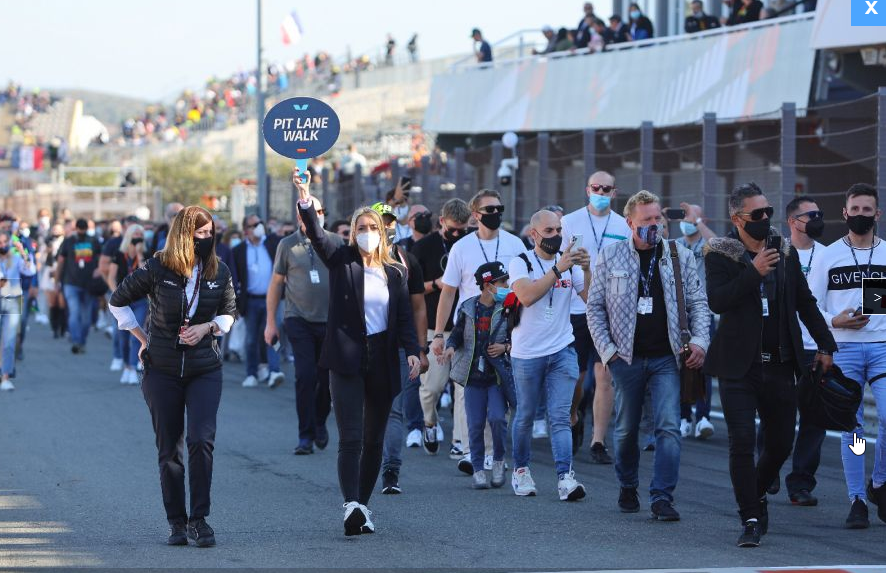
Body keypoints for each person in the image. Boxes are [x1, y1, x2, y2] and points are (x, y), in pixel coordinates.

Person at [704, 182, 835, 547]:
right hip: (738, 367)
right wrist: (754, 272)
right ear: (737, 218)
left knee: (780, 444)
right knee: (742, 442)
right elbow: (718, 301)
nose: (765, 219)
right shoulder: (720, 253)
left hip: (779, 364)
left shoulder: (784, 250)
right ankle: (749, 517)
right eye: (757, 214)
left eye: (768, 213)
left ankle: (757, 491)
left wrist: (826, 344)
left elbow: (805, 303)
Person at [294, 168, 421, 536]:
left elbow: (402, 319)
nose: (366, 234)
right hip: (346, 356)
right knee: (350, 436)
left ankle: (362, 506)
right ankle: (350, 503)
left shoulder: (395, 271)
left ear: (382, 233)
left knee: (374, 438)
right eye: (360, 228)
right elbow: (317, 235)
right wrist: (305, 197)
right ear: (352, 232)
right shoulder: (342, 258)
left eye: (371, 228)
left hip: (381, 356)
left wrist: (413, 351)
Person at [110, 206, 238, 548]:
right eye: (200, 235)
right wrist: (142, 338)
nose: (207, 239)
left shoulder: (219, 270)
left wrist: (208, 327)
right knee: (169, 448)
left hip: (204, 369)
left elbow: (229, 313)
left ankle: (200, 519)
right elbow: (117, 301)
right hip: (162, 369)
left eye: (211, 233)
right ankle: (176, 522)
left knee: (201, 439)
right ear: (184, 235)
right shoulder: (157, 267)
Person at [587, 191, 710, 522]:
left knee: (668, 426)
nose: (655, 225)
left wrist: (699, 341)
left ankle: (662, 497)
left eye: (658, 219)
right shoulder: (610, 256)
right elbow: (594, 308)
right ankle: (628, 484)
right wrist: (608, 352)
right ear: (630, 223)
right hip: (625, 359)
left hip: (667, 358)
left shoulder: (678, 255)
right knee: (626, 429)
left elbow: (698, 303)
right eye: (647, 220)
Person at [808, 183, 886, 530]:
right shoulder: (827, 255)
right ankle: (857, 498)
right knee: (852, 428)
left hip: (883, 346)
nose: (859, 215)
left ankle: (879, 482)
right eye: (854, 209)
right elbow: (808, 306)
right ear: (844, 213)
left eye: (866, 210)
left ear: (877, 214)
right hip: (844, 349)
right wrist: (835, 321)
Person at [430, 190, 525, 472]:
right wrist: (438, 333)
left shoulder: (515, 243)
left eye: (499, 208)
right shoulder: (462, 247)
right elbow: (448, 293)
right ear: (475, 215)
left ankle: (493, 453)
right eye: (489, 209)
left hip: (503, 325)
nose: (495, 213)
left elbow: (523, 285)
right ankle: (469, 449)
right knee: (466, 390)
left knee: (498, 389)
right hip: (470, 327)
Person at [509, 209, 591, 500]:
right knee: (526, 415)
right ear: (534, 235)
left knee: (560, 416)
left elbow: (590, 300)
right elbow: (527, 296)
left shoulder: (568, 264)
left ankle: (565, 477)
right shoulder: (520, 262)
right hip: (527, 353)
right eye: (549, 232)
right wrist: (557, 270)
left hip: (562, 349)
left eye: (558, 231)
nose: (556, 236)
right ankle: (520, 470)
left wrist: (587, 269)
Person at [757, 196, 827, 504]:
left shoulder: (832, 255)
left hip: (819, 348)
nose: (816, 219)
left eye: (819, 214)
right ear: (792, 221)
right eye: (810, 215)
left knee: (820, 420)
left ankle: (802, 482)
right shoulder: (776, 253)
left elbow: (845, 299)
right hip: (783, 347)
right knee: (773, 413)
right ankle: (767, 468)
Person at [562, 171, 631, 465]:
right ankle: (575, 414)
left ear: (614, 192)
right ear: (587, 189)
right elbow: (562, 262)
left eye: (606, 188)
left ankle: (598, 441)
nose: (601, 192)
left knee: (605, 376)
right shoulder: (569, 222)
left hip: (610, 310)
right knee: (577, 377)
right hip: (578, 309)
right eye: (596, 187)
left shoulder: (622, 225)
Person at [265, 195, 338, 456]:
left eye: (320, 210)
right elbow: (275, 284)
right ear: (300, 215)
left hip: (330, 321)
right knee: (305, 376)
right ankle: (305, 435)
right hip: (298, 319)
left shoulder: (335, 241)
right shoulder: (287, 244)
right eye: (311, 211)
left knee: (325, 378)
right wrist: (270, 322)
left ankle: (320, 420)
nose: (317, 214)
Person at [371, 201, 428, 495]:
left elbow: (418, 307)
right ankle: (362, 468)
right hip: (365, 346)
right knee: (367, 411)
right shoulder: (356, 260)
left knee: (394, 411)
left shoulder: (408, 261)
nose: (387, 227)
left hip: (397, 348)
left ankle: (390, 470)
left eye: (391, 221)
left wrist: (419, 349)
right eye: (381, 221)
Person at [444, 261, 514, 489]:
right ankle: (477, 468)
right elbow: (456, 334)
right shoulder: (467, 307)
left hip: (496, 376)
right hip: (472, 377)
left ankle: (498, 461)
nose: (506, 285)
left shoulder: (510, 307)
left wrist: (505, 348)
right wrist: (450, 347)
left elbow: (519, 337)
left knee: (497, 418)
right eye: (501, 281)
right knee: (474, 424)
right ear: (487, 285)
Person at [411, 198, 472, 454]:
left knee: (462, 390)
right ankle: (429, 422)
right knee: (432, 388)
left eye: (463, 229)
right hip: (435, 326)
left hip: (465, 327)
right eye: (453, 229)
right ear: (442, 222)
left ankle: (460, 442)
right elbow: (412, 289)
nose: (458, 234)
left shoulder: (470, 245)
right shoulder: (423, 247)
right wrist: (439, 284)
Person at [675, 203, 718, 440]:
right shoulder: (675, 245)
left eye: (692, 217)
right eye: (685, 216)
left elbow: (719, 245)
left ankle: (703, 417)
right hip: (680, 315)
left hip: (703, 313)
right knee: (681, 366)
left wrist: (698, 221)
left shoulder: (706, 245)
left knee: (704, 366)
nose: (687, 220)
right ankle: (683, 416)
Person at [232, 214, 284, 388]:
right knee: (252, 339)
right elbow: (234, 277)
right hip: (251, 301)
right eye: (254, 225)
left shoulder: (272, 243)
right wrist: (236, 304)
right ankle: (251, 373)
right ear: (246, 229)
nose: (258, 227)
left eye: (260, 223)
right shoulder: (238, 250)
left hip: (272, 299)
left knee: (273, 336)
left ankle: (274, 370)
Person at [106, 224, 147, 385]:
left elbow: (147, 275)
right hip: (122, 301)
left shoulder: (146, 255)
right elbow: (111, 277)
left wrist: (139, 254)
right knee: (122, 335)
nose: (137, 236)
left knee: (136, 334)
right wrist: (116, 295)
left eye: (140, 234)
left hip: (140, 300)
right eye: (135, 233)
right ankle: (125, 364)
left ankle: (131, 367)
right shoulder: (119, 254)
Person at [55, 218, 102, 354]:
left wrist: (99, 271)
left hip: (89, 284)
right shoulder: (69, 241)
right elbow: (61, 261)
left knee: (86, 318)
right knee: (75, 313)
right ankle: (76, 340)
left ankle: (81, 341)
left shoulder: (94, 241)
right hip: (71, 283)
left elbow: (101, 259)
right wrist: (57, 280)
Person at [0, 233, 35, 391]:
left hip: (13, 298)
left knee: (8, 341)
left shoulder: (16, 259)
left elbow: (30, 271)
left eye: (5, 241)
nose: (2, 244)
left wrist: (23, 252)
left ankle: (5, 376)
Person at [41, 223, 66, 339]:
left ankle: (63, 327)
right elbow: (41, 258)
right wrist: (46, 251)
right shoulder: (47, 242)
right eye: (54, 229)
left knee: (62, 301)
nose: (55, 231)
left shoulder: (65, 242)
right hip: (50, 270)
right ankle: (54, 328)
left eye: (58, 229)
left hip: (62, 272)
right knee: (52, 302)